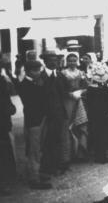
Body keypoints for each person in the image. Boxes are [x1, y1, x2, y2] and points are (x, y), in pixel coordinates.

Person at [17, 60, 52, 189]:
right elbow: (32, 101)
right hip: (33, 121)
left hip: (40, 118)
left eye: (38, 69)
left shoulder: (36, 82)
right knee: (34, 150)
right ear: (27, 71)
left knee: (38, 148)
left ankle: (35, 172)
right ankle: (34, 178)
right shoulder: (24, 84)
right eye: (34, 70)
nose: (37, 72)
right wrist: (40, 87)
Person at [39, 49, 69, 178]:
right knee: (46, 140)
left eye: (55, 59)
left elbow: (65, 92)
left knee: (58, 139)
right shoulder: (41, 76)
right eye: (50, 59)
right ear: (45, 61)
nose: (54, 61)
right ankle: (47, 166)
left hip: (59, 113)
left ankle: (57, 164)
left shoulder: (60, 75)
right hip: (46, 114)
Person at [86, 62, 108, 163]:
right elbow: (88, 102)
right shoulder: (91, 88)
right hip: (95, 114)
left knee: (105, 133)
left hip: (105, 113)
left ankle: (105, 153)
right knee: (96, 133)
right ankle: (99, 155)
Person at [61, 52, 88, 162]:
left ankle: (80, 152)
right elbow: (61, 88)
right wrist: (69, 94)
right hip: (67, 101)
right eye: (70, 60)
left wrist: (80, 91)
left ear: (77, 61)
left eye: (74, 60)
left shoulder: (81, 73)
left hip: (79, 100)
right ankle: (68, 154)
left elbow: (86, 86)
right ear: (67, 62)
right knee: (68, 125)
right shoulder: (62, 73)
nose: (72, 62)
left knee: (81, 124)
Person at [0, 66, 17, 196]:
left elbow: (5, 98)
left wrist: (10, 108)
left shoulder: (1, 80)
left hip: (2, 122)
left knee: (4, 152)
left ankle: (5, 182)